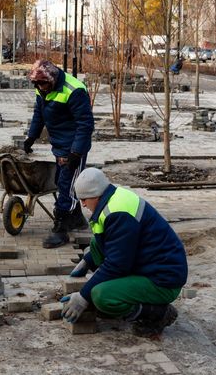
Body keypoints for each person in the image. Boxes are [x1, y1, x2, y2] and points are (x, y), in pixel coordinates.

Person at [60, 167, 187, 338]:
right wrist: (89, 260)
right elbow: (105, 239)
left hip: (163, 279)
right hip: (148, 266)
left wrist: (83, 296)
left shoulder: (119, 214)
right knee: (95, 241)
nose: (82, 204)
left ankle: (158, 314)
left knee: (101, 295)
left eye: (84, 199)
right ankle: (124, 300)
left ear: (96, 195)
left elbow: (117, 265)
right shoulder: (113, 197)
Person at [23, 59, 95, 249]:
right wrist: (32, 136)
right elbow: (39, 113)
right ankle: (77, 219)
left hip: (73, 146)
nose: (40, 87)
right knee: (65, 181)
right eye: (36, 84)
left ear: (52, 79)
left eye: (42, 83)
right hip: (59, 144)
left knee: (66, 183)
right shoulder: (43, 87)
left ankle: (61, 227)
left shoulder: (74, 90)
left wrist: (76, 153)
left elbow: (85, 124)